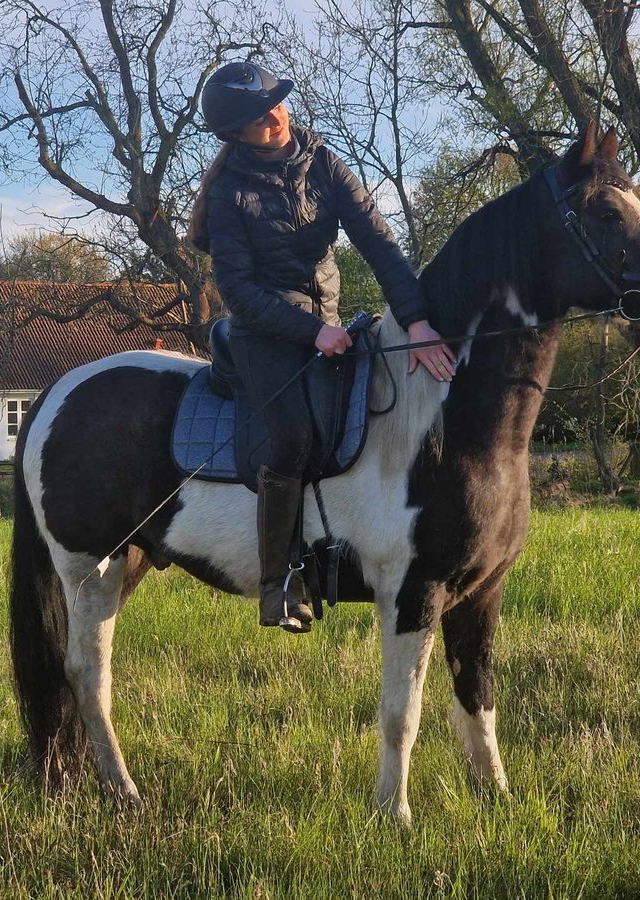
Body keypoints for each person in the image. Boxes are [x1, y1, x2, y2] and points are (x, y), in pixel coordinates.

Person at [190, 60, 456, 634]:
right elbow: (237, 290)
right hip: (264, 332)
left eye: (276, 104)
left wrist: (415, 322)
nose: (274, 118)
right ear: (234, 134)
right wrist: (311, 331)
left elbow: (380, 244)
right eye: (258, 118)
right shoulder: (230, 194)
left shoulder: (324, 162)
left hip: (331, 320)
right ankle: (279, 583)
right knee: (292, 436)